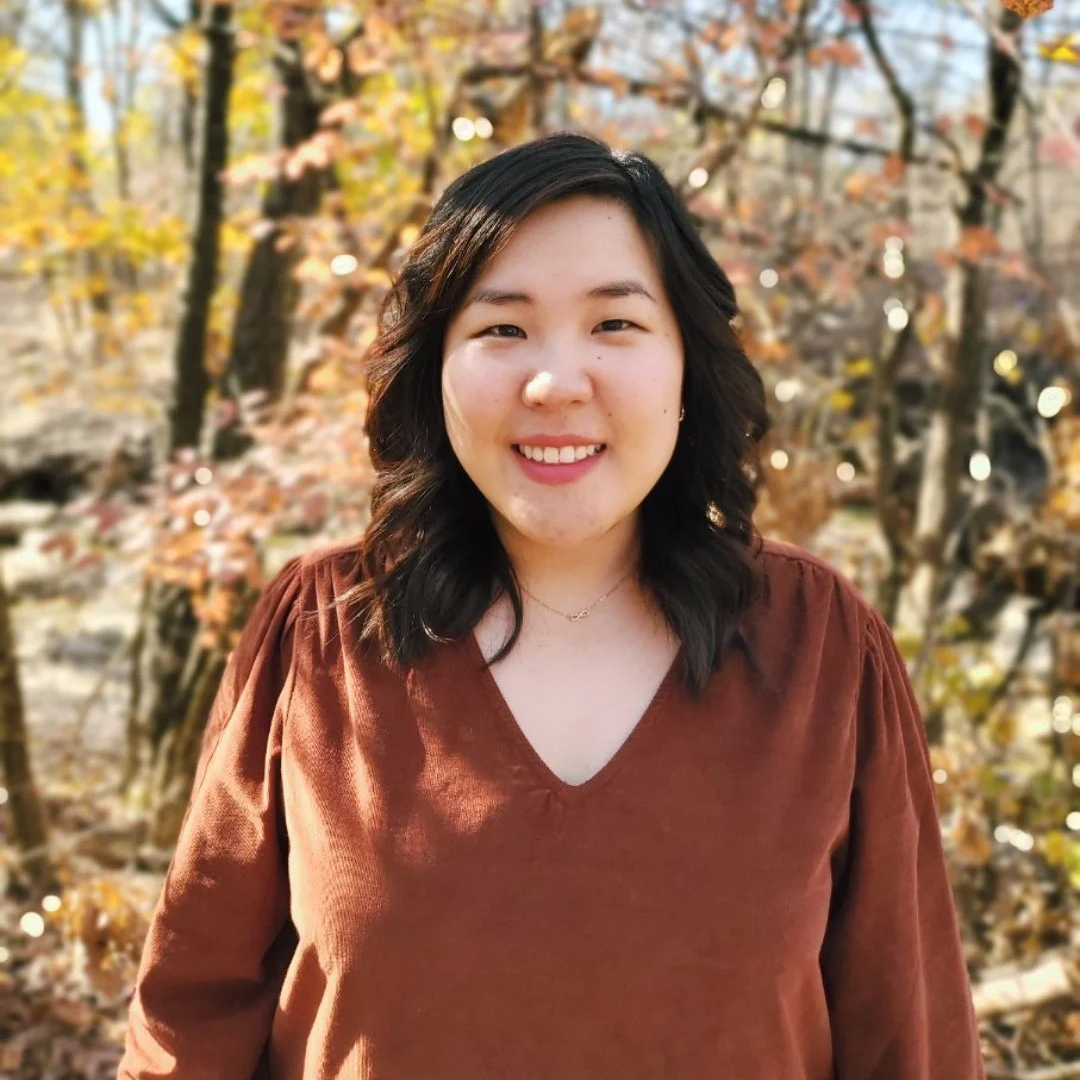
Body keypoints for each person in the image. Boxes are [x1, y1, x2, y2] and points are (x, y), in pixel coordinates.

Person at [117, 131, 985, 1079]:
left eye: (615, 324)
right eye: (503, 329)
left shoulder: (821, 648)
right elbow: (186, 1028)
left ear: (686, 364)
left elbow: (913, 1044)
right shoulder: (321, 637)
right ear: (435, 369)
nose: (556, 383)